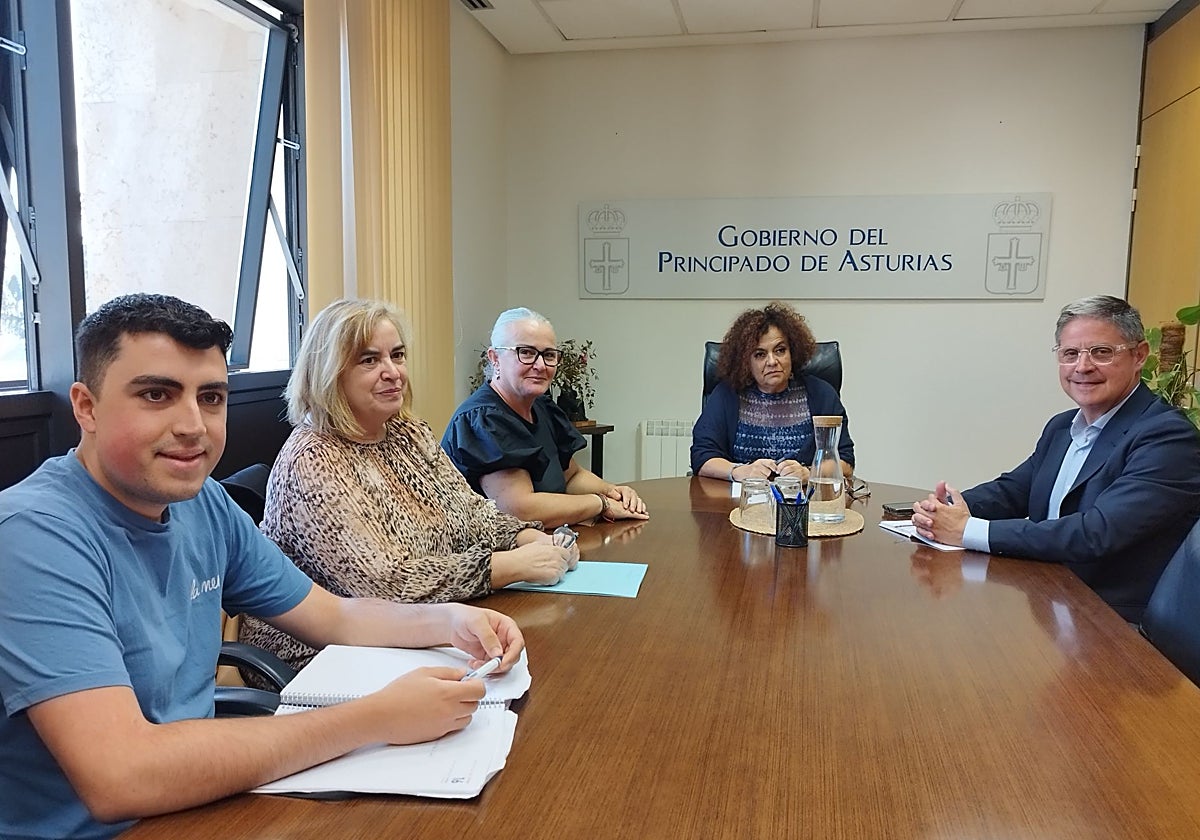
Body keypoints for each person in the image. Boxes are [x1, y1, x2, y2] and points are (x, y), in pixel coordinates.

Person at [0, 294, 524, 840]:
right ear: (86, 407)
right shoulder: (33, 535)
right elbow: (123, 776)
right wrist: (378, 718)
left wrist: (448, 620)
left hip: (203, 800)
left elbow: (333, 616)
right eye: (156, 395)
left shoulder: (203, 504)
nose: (193, 425)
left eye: (210, 398)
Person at [238, 298, 577, 671]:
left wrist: (529, 538)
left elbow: (472, 512)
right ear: (329, 373)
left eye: (397, 356)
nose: (393, 372)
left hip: (424, 624)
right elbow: (384, 586)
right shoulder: (312, 459)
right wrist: (508, 566)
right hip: (322, 656)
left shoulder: (408, 431)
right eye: (370, 360)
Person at [912, 295, 1200, 623]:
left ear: (1139, 356)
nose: (1083, 367)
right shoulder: (1062, 427)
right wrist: (941, 511)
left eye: (1101, 352)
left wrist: (967, 530)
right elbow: (1011, 492)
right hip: (1053, 604)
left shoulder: (1167, 437)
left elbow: (1095, 533)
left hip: (1115, 627)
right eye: (1070, 354)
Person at [441, 308, 649, 527]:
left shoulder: (542, 407)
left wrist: (613, 492)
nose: (540, 366)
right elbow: (521, 511)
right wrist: (601, 503)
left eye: (548, 355)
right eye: (526, 352)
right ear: (495, 358)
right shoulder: (484, 419)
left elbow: (571, 476)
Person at [691, 301, 855, 483]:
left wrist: (809, 473)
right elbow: (702, 457)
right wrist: (739, 470)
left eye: (780, 350)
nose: (772, 361)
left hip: (801, 498)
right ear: (746, 362)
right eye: (760, 354)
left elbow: (845, 461)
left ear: (793, 353)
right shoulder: (727, 395)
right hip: (742, 497)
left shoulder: (821, 394)